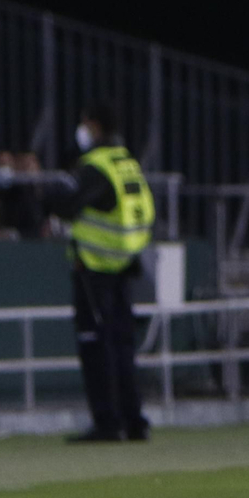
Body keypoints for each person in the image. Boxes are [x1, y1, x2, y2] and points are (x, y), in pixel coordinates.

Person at [56, 103, 155, 443]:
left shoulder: (95, 166)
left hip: (94, 269)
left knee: (97, 346)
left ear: (93, 125)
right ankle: (135, 420)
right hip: (125, 264)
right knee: (124, 345)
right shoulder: (127, 162)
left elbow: (65, 204)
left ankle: (108, 422)